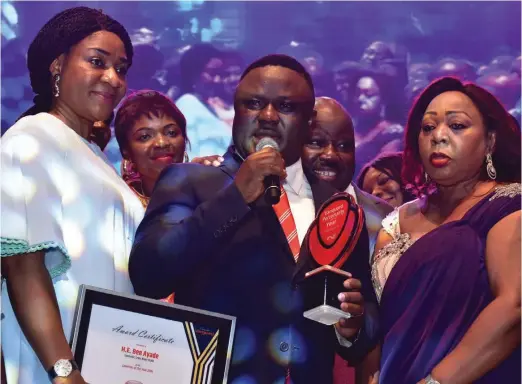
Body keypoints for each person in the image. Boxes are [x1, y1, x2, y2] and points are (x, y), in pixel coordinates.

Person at [129, 54, 379, 383]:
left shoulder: (337, 205)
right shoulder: (191, 182)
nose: (268, 116)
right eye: (254, 103)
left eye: (286, 106)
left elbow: (366, 318)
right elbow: (149, 274)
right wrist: (236, 197)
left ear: (308, 122)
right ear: (236, 112)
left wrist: (353, 326)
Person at [1, 7, 144, 383]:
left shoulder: (92, 154)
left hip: (108, 361)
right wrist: (63, 370)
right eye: (97, 62)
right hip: (57, 366)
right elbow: (22, 265)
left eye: (122, 69)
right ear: (57, 66)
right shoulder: (30, 140)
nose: (113, 78)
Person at [368, 77, 521, 383]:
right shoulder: (394, 223)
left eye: (457, 126)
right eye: (427, 128)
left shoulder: (508, 205)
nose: (438, 136)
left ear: (490, 141)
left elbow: (513, 306)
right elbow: (380, 328)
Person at [301, 97, 393, 384]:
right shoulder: (274, 208)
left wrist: (355, 323)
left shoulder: (385, 219)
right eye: (316, 142)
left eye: (344, 146)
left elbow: (394, 311)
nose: (331, 155)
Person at [113, 90, 191, 208]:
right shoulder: (119, 205)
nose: (161, 143)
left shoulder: (206, 191)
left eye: (171, 132)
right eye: (145, 137)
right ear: (126, 151)